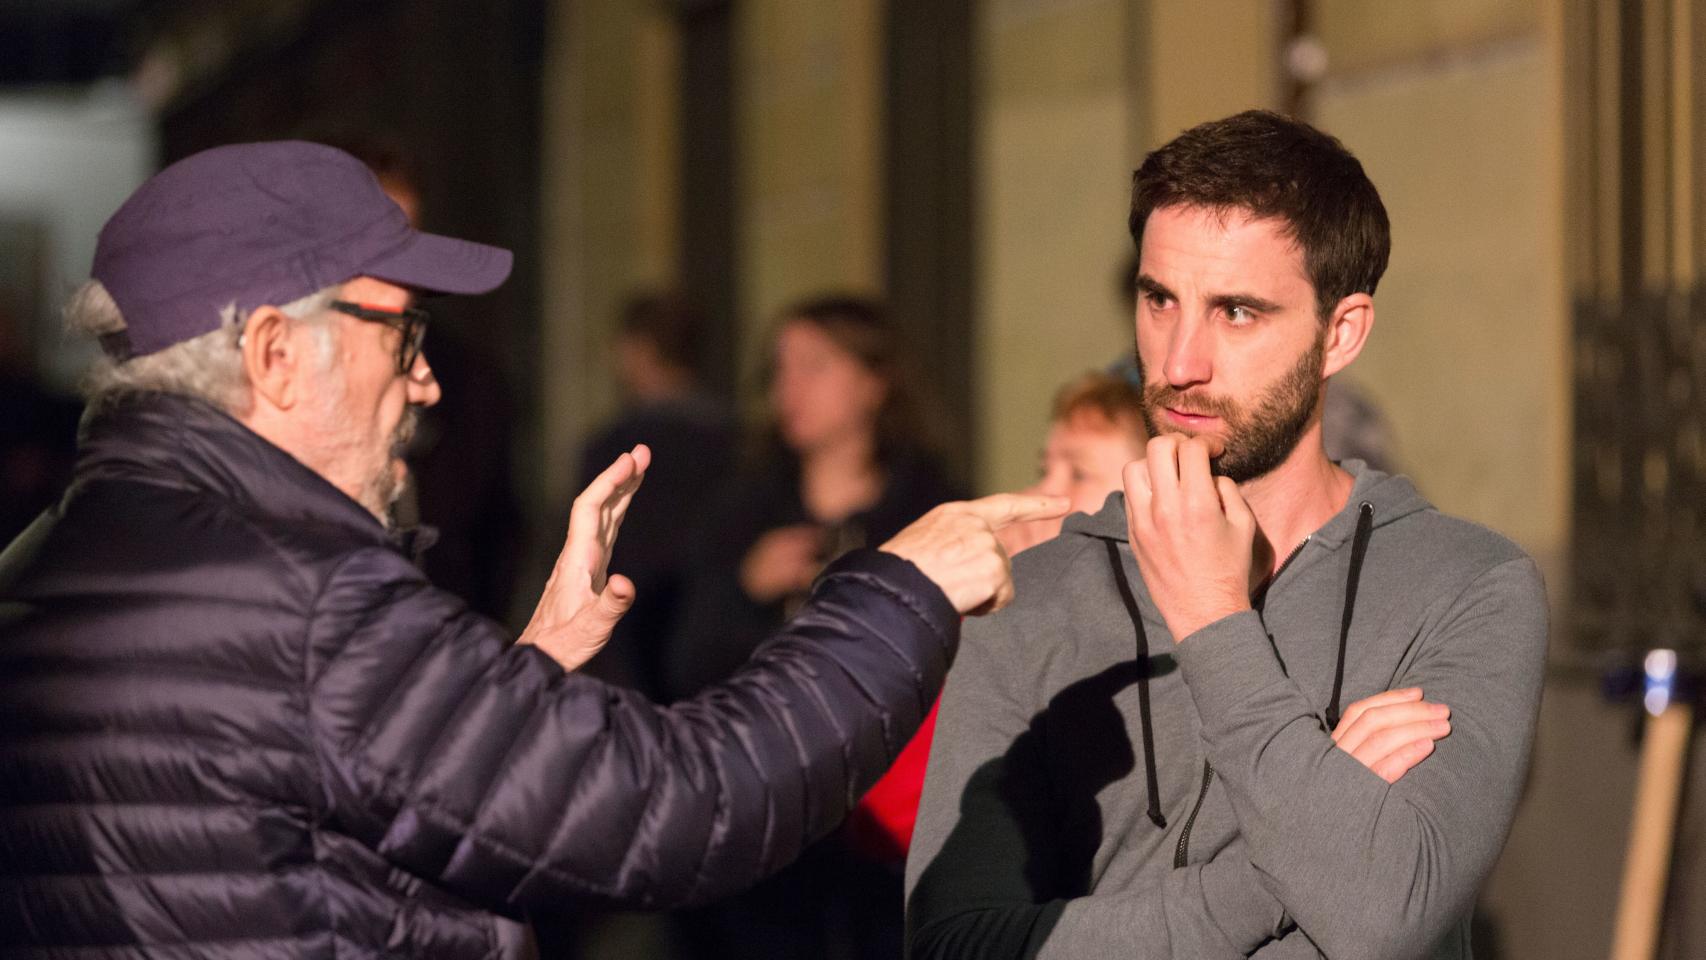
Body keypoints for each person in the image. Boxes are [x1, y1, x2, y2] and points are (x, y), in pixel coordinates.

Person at [0, 141, 1066, 956]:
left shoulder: (48, 563)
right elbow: (682, 804)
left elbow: (316, 836)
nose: (426, 382)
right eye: (404, 334)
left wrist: (522, 681)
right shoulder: (305, 600)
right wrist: (897, 589)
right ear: (277, 354)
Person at [907, 110, 1549, 959]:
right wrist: (1290, 853)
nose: (1177, 363)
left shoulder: (1467, 585)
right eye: (1159, 299)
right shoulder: (1041, 594)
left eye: (1237, 313)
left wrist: (1211, 617)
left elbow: (1385, 919)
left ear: (1341, 332)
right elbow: (956, 948)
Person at [849, 368, 1150, 864]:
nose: (1037, 496)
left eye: (1077, 474)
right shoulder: (1001, 613)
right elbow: (891, 796)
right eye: (1043, 467)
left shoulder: (1124, 647)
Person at [665, 295, 962, 701]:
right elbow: (687, 665)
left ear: (874, 382)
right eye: (781, 369)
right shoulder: (742, 508)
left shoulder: (929, 511)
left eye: (814, 366)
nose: (790, 387)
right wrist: (747, 588)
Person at [574, 292, 736, 698]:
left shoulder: (614, 447)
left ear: (640, 349)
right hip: (714, 649)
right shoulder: (736, 442)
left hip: (631, 637)